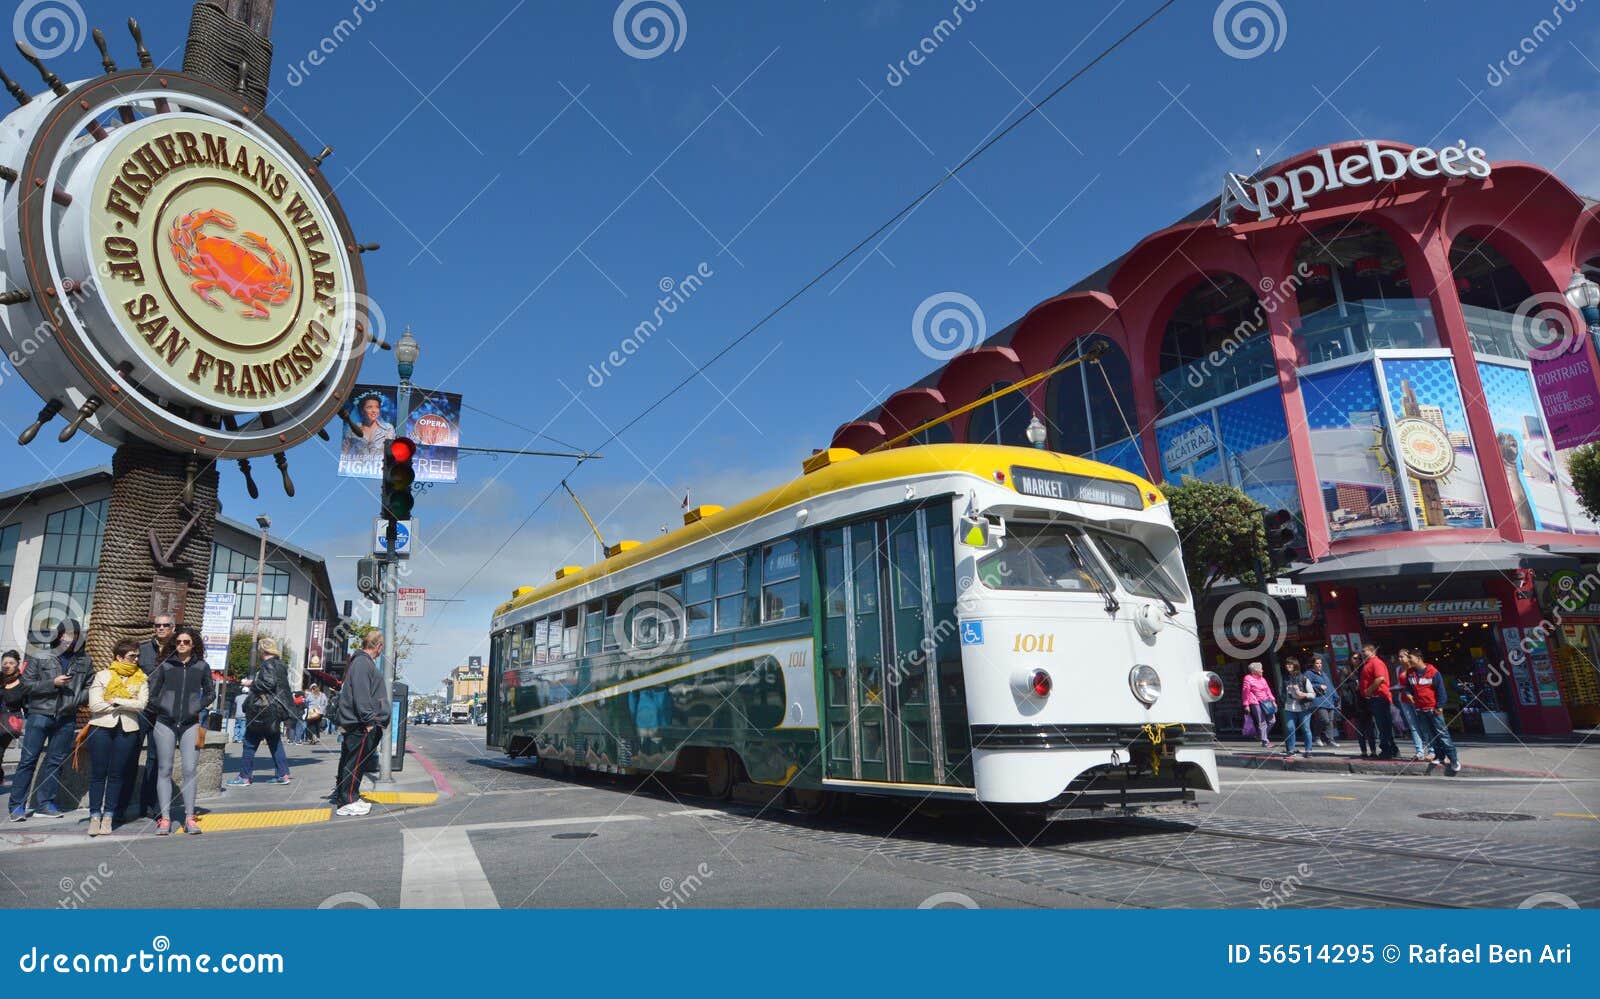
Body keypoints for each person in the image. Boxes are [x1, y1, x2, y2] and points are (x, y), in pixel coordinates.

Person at [8, 620, 93, 822]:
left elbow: (91, 686)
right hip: (40, 714)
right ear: (59, 635)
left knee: (55, 762)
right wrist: (51, 684)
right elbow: (25, 686)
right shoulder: (39, 656)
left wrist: (75, 701)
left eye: (74, 635)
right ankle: (17, 806)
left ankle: (45, 804)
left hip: (66, 717)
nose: (69, 638)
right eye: (66, 634)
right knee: (28, 760)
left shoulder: (84, 660)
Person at [147, 626, 215, 835]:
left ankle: (189, 817)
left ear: (193, 644)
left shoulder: (202, 666)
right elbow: (152, 694)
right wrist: (164, 707)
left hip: (191, 723)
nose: (182, 645)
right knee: (165, 769)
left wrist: (196, 706)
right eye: (178, 642)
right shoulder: (165, 665)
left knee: (189, 770)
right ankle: (165, 818)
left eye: (186, 642)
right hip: (165, 722)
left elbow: (211, 694)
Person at [85, 640, 148, 836]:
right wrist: (128, 702)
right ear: (119, 657)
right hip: (101, 728)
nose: (136, 659)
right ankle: (95, 815)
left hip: (128, 730)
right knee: (98, 774)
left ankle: (109, 816)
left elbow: (142, 705)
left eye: (137, 656)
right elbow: (94, 706)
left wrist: (115, 700)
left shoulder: (142, 678)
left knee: (117, 775)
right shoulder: (102, 675)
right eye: (132, 656)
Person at [332, 631, 389, 817]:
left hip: (358, 721)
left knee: (351, 761)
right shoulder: (363, 663)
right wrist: (369, 720)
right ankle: (348, 800)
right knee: (354, 762)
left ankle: (347, 796)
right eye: (382, 647)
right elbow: (361, 694)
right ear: (379, 646)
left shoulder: (360, 662)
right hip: (361, 723)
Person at [124, 614, 175, 822]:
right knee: (129, 755)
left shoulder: (178, 651)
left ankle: (150, 805)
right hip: (141, 710)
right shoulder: (142, 649)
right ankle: (122, 805)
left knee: (157, 759)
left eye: (165, 625)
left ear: (173, 627)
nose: (161, 628)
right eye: (157, 625)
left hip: (164, 713)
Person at [230, 637, 295, 786]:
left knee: (249, 743)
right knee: (275, 741)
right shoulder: (280, 665)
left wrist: (250, 683)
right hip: (276, 710)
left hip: (263, 711)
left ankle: (244, 777)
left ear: (263, 650)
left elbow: (268, 683)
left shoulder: (268, 665)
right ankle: (283, 774)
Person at [1406, 653, 1462, 775]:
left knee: (1443, 735)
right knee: (1430, 735)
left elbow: (1441, 690)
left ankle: (1454, 759)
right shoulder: (1410, 673)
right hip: (1420, 709)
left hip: (1433, 709)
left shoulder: (1433, 672)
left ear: (1419, 659)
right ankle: (1439, 756)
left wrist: (1439, 706)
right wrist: (1409, 694)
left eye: (1411, 658)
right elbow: (1408, 688)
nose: (1408, 660)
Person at [1357, 643, 1398, 759]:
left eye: (1364, 651)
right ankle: (1392, 748)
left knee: (1383, 724)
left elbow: (1380, 678)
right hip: (1375, 698)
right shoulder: (1369, 663)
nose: (1362, 653)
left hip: (1379, 697)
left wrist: (1369, 691)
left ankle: (1386, 749)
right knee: (1383, 724)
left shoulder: (1376, 662)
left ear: (1372, 651)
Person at [1393, 650, 1430, 761]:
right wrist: (1393, 688)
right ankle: (1419, 751)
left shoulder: (1413, 669)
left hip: (1416, 699)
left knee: (1424, 725)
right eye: (1398, 657)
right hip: (1404, 699)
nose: (1400, 659)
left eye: (1402, 657)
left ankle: (1431, 750)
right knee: (1413, 726)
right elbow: (1400, 684)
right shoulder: (1398, 669)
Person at [1280, 657, 1316, 757]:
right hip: (1289, 707)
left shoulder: (1303, 678)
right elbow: (1281, 692)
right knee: (1290, 727)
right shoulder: (1285, 678)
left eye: (1290, 664)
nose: (1288, 666)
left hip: (1303, 708)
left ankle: (1308, 750)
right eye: (1287, 664)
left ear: (1295, 666)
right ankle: (1291, 750)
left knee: (1305, 728)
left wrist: (1302, 694)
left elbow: (1312, 694)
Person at [0, 651, 26, 784]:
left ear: (17, 665)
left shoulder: (22, 682)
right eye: (4, 663)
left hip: (8, 722)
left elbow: (26, 706)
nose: (7, 665)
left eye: (11, 663)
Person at [1306, 654, 1340, 749]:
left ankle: (1330, 740)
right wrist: (1318, 686)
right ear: (1313, 664)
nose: (1320, 665)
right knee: (1324, 719)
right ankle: (1316, 736)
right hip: (1318, 700)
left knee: (1330, 721)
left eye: (1320, 663)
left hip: (1329, 700)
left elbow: (1330, 686)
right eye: (1317, 663)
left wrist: (1336, 697)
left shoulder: (1324, 673)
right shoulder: (1309, 673)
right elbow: (1306, 685)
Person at [1239, 661, 1276, 749]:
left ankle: (1261, 736)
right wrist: (1246, 704)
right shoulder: (1248, 678)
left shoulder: (1263, 679)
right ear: (1255, 671)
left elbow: (1268, 690)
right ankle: (1265, 741)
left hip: (1266, 701)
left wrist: (1273, 701)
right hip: (1256, 702)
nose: (1262, 671)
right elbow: (1245, 692)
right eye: (1260, 669)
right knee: (1262, 722)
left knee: (1272, 720)